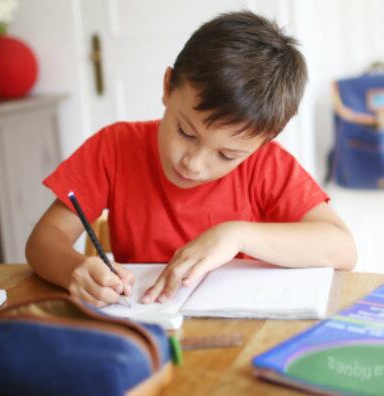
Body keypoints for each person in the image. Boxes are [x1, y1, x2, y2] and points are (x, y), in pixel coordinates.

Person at [26, 11, 357, 308]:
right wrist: (74, 269)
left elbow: (342, 249)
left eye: (227, 155)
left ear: (263, 141)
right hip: (147, 329)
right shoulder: (115, 147)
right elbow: (43, 239)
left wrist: (236, 235)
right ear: (168, 86)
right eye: (186, 132)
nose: (194, 164)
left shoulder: (265, 164)